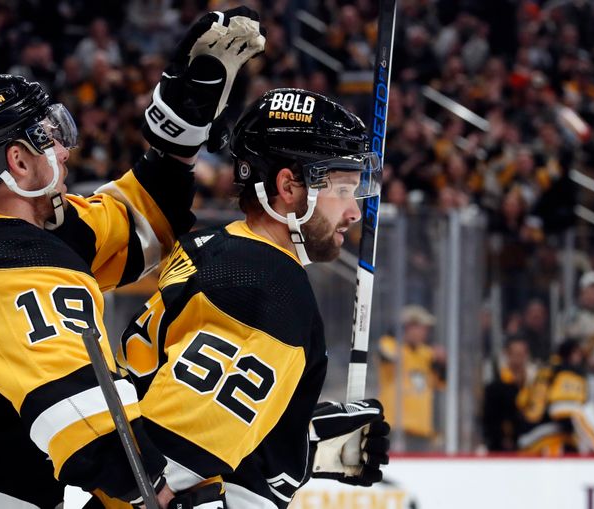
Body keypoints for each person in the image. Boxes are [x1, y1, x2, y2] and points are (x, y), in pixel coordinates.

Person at [0, 7, 265, 508]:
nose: (62, 150)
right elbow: (87, 416)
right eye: (47, 137)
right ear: (16, 161)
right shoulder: (14, 263)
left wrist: (179, 130)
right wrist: (161, 494)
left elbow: (134, 229)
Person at [99, 89, 391, 509]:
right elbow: (169, 471)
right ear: (288, 186)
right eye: (342, 189)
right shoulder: (266, 285)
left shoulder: (214, 248)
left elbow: (199, 416)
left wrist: (301, 439)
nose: (354, 212)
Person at [516, 339, 594, 456]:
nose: (580, 357)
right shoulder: (568, 373)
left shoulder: (545, 369)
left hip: (529, 433)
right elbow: (565, 409)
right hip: (549, 436)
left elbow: (523, 401)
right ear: (572, 354)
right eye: (578, 353)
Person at [377, 305, 446, 452]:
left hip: (422, 428)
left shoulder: (426, 353)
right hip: (395, 426)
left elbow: (440, 383)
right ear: (408, 327)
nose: (425, 332)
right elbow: (386, 354)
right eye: (421, 327)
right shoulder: (391, 345)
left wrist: (441, 364)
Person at [482, 335, 533, 452]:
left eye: (522, 354)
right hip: (503, 448)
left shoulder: (534, 384)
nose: (519, 358)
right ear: (507, 355)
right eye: (515, 354)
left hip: (531, 444)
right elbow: (490, 421)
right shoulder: (495, 388)